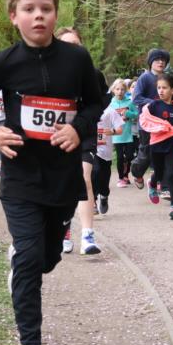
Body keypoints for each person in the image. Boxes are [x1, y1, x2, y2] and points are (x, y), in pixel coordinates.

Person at [0, 0, 104, 345]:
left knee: (46, 258)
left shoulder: (76, 59)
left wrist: (77, 127)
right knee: (28, 258)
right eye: (29, 9)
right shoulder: (4, 62)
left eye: (46, 9)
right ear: (14, 15)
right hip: (22, 178)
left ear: (55, 12)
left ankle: (25, 260)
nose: (39, 16)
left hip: (63, 181)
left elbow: (97, 100)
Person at [55, 26, 105, 255]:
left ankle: (87, 236)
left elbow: (100, 104)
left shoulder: (93, 75)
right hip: (57, 133)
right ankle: (64, 229)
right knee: (61, 183)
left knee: (84, 178)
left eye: (76, 44)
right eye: (66, 44)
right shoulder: (47, 73)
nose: (72, 49)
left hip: (84, 134)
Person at [139, 71, 173, 220]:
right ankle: (152, 183)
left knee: (172, 174)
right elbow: (144, 120)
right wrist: (161, 126)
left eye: (164, 88)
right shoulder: (153, 105)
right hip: (156, 145)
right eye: (159, 88)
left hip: (172, 145)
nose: (161, 91)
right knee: (160, 174)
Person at [130, 48, 170, 188]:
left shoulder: (168, 79)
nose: (160, 62)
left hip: (164, 123)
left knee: (163, 154)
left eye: (163, 60)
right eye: (157, 59)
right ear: (151, 62)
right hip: (146, 123)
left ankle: (162, 184)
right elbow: (136, 98)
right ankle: (137, 172)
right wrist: (153, 103)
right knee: (146, 155)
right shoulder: (145, 78)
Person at [92, 99, 125, 217]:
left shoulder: (110, 111)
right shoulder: (87, 109)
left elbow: (120, 129)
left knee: (104, 179)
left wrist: (112, 131)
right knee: (94, 172)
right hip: (91, 149)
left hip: (105, 152)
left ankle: (104, 196)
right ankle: (93, 202)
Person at [109, 78, 138, 187]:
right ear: (113, 90)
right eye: (117, 89)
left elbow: (136, 114)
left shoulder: (129, 102)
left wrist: (128, 113)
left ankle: (126, 174)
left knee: (129, 156)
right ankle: (121, 178)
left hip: (128, 135)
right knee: (120, 157)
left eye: (122, 89)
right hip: (117, 135)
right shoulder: (111, 104)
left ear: (125, 90)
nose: (120, 91)